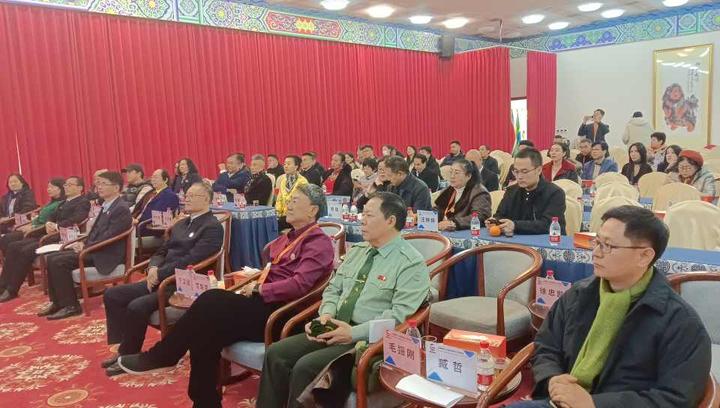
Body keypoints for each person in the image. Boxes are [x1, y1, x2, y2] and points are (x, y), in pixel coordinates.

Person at [117, 185, 334, 406]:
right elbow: (269, 270)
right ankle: (205, 402)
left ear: (313, 210)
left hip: (284, 314)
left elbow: (299, 285)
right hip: (262, 304)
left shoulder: (318, 243)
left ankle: (164, 355)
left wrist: (260, 289)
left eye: (295, 201)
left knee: (211, 299)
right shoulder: (285, 238)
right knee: (205, 330)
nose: (288, 204)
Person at [509, 206, 710, 408]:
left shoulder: (678, 321)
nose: (596, 253)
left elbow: (676, 398)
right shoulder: (580, 294)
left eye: (608, 246)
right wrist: (553, 379)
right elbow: (547, 344)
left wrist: (595, 403)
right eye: (596, 242)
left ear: (645, 256)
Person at [256, 192, 431, 408]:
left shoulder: (411, 263)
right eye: (362, 214)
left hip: (367, 340)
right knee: (276, 354)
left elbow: (398, 318)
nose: (362, 220)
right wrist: (326, 315)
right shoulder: (358, 251)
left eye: (369, 215)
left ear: (390, 221)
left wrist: (352, 333)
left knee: (306, 367)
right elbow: (333, 289)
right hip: (335, 326)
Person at [102, 182, 224, 376]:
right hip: (160, 277)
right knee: (113, 294)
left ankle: (127, 354)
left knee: (136, 306)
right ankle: (121, 347)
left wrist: (161, 273)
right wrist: (153, 267)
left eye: (193, 196)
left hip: (181, 284)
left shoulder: (212, 227)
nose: (187, 199)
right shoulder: (181, 224)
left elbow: (193, 260)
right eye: (187, 196)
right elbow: (162, 250)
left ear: (207, 200)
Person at [40, 171, 132, 320]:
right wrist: (82, 243)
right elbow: (96, 232)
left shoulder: (120, 208)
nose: (99, 187)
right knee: (52, 257)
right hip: (96, 249)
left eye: (104, 184)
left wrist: (86, 247)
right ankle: (58, 303)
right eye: (98, 183)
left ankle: (71, 306)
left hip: (106, 254)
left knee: (59, 261)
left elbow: (110, 237)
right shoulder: (107, 205)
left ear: (116, 188)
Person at [0, 177, 90, 302]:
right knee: (13, 246)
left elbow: (78, 219)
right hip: (49, 235)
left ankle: (12, 289)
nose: (66, 187)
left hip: (63, 237)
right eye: (65, 185)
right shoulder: (64, 203)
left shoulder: (83, 202)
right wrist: (49, 223)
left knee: (26, 251)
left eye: (70, 185)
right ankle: (2, 285)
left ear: (80, 188)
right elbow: (51, 217)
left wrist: (56, 226)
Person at [491, 148, 566, 235]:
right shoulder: (511, 191)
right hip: (514, 239)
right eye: (516, 172)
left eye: (524, 171)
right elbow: (500, 215)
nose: (519, 176)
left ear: (539, 170)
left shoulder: (555, 193)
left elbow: (548, 224)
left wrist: (515, 225)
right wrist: (495, 222)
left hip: (546, 241)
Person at [0, 178, 64, 254]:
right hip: (32, 227)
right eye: (48, 187)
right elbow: (39, 217)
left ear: (60, 188)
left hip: (41, 232)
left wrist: (32, 227)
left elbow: (50, 222)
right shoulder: (50, 202)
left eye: (52, 187)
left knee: (13, 243)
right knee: (11, 243)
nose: (48, 189)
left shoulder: (61, 204)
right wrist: (30, 224)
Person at [435, 159, 491, 231]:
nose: (452, 176)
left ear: (468, 176)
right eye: (451, 172)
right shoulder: (448, 190)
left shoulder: (479, 192)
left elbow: (480, 216)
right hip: (443, 230)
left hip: (466, 232)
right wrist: (428, 216)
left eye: (456, 173)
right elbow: (439, 209)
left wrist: (454, 223)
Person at [134, 169, 180, 237]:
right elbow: (139, 208)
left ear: (165, 180)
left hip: (148, 228)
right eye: (152, 177)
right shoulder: (151, 193)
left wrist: (137, 221)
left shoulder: (169, 195)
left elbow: (157, 215)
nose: (152, 179)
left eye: (155, 177)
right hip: (138, 224)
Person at [276, 156, 309, 230]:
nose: (285, 166)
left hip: (296, 215)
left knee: (274, 225)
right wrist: (277, 213)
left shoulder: (302, 182)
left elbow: (302, 202)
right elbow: (279, 199)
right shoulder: (284, 181)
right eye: (285, 164)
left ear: (296, 167)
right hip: (283, 216)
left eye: (288, 164)